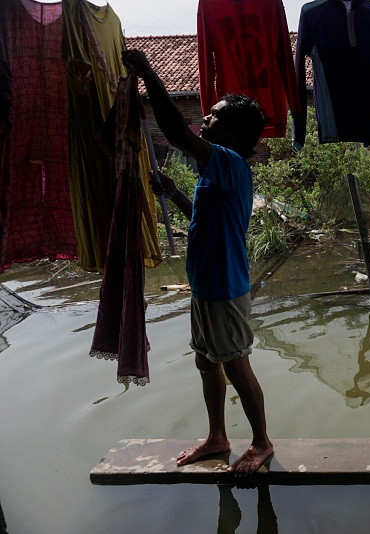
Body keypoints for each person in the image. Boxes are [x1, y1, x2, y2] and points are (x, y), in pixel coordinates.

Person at [122, 50, 274, 477]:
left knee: (236, 366)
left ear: (236, 132)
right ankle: (218, 438)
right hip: (205, 285)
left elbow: (174, 130)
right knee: (207, 363)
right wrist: (173, 194)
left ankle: (261, 442)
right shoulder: (218, 172)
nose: (206, 118)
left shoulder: (227, 161)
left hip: (224, 288)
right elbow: (202, 220)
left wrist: (149, 72)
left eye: (216, 116)